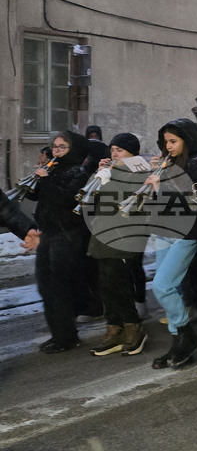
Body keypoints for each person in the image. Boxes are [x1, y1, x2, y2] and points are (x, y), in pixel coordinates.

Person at [150, 118, 197, 369]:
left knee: (161, 286)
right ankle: (178, 340)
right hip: (165, 230)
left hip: (187, 234)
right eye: (166, 142)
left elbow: (196, 200)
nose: (168, 146)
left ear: (188, 141)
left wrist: (163, 181)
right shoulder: (168, 163)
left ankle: (186, 333)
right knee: (168, 288)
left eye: (173, 142)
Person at [28, 131, 92, 353]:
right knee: (45, 285)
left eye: (62, 147)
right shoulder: (52, 168)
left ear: (73, 149)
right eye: (54, 146)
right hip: (47, 232)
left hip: (66, 234)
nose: (56, 150)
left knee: (59, 286)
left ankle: (66, 336)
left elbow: (66, 198)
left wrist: (45, 181)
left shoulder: (80, 172)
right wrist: (36, 179)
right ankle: (57, 333)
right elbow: (35, 196)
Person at [88, 133, 150, 356]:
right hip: (104, 232)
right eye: (112, 150)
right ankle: (114, 328)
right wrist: (99, 174)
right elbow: (90, 196)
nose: (114, 154)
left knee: (119, 283)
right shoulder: (109, 170)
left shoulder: (139, 170)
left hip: (124, 234)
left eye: (120, 150)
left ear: (132, 152)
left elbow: (136, 200)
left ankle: (133, 327)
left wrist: (114, 174)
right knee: (105, 284)